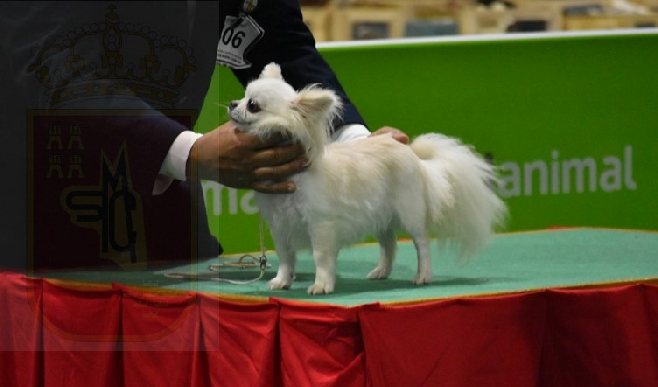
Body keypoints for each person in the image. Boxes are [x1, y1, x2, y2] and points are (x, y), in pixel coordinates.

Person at [0, 0, 407, 272]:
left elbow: (276, 41)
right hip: (39, 224)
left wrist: (354, 142)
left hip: (171, 224)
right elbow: (51, 64)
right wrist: (188, 152)